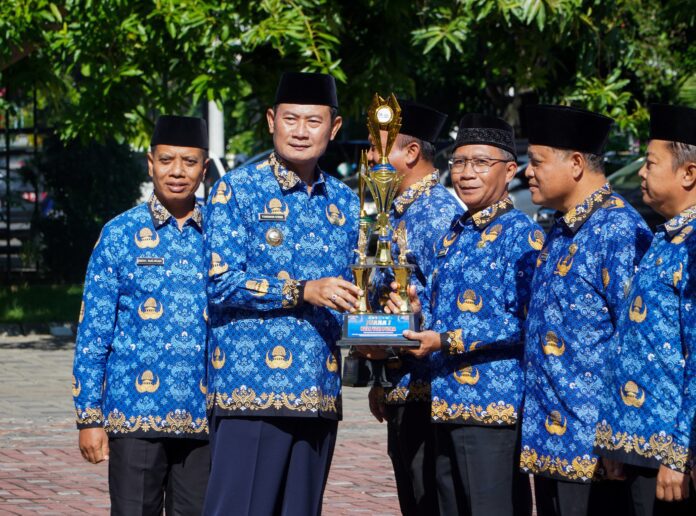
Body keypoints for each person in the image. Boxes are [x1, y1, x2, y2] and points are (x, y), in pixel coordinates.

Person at [202, 72, 359, 516]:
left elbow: (355, 285)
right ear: (272, 120)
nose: (301, 131)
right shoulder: (237, 189)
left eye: (314, 120)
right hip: (250, 392)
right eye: (291, 119)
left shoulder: (346, 202)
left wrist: (389, 306)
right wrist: (301, 290)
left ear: (334, 127)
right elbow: (219, 281)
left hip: (318, 391)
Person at [386, 113, 536, 515]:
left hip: (492, 406)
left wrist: (446, 340)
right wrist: (415, 314)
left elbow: (525, 321)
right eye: (460, 162)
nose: (467, 173)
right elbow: (439, 308)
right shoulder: (455, 232)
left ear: (510, 171)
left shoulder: (522, 234)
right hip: (443, 402)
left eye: (481, 163)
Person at [72, 115, 211, 515]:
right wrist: (89, 418)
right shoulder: (119, 234)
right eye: (167, 160)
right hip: (134, 414)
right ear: (151, 164)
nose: (177, 171)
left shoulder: (223, 233)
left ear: (204, 168)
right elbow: (94, 332)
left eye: (189, 162)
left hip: (204, 417)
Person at [519, 105, 653, 516]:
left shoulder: (619, 230)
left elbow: (635, 341)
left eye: (537, 161)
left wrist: (619, 434)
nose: (527, 173)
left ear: (576, 163)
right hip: (549, 440)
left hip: (592, 447)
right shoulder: (562, 226)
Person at [594, 103, 696, 515]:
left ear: (688, 174)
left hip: (670, 450)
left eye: (651, 163)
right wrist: (616, 437)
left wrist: (680, 453)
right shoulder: (665, 238)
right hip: (637, 446)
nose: (640, 173)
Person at [363, 100, 463, 515]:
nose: (370, 156)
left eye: (377, 147)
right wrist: (380, 375)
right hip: (402, 383)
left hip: (431, 389)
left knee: (430, 500)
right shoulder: (398, 210)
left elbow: (453, 306)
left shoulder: (440, 214)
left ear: (412, 152)